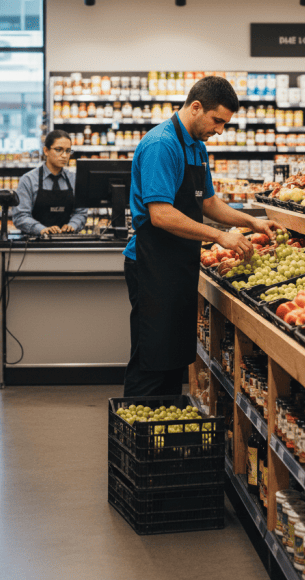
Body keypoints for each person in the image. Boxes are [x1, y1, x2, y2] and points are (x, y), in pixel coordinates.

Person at [123, 76, 284, 397]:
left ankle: (164, 432)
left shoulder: (196, 145)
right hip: (151, 264)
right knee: (152, 360)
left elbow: (208, 202)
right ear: (196, 107)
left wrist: (252, 223)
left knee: (172, 360)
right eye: (218, 121)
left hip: (179, 263)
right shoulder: (162, 145)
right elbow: (161, 214)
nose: (220, 130)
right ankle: (141, 436)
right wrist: (220, 236)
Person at [12, 130, 88, 236]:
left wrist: (72, 225)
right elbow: (20, 216)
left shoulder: (74, 179)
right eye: (59, 150)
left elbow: (81, 212)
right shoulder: (28, 180)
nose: (64, 155)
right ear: (46, 151)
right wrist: (42, 229)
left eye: (68, 151)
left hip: (67, 243)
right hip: (34, 245)